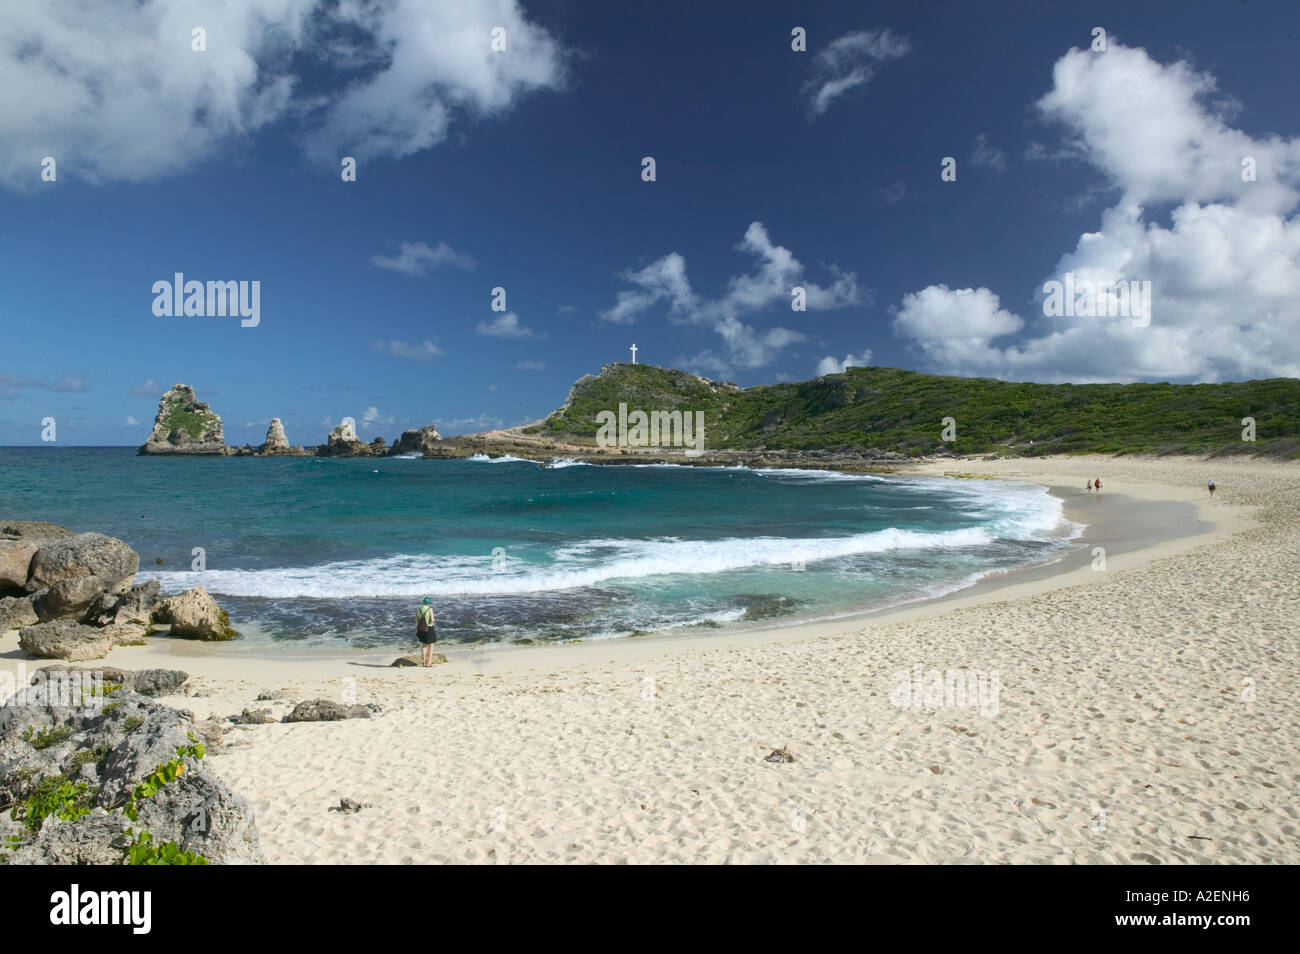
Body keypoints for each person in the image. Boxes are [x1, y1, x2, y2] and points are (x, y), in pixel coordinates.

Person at [415, 596, 437, 666]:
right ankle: (429, 662)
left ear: (423, 602)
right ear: (429, 603)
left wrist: (417, 630)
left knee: (423, 645)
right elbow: (432, 620)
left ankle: (424, 662)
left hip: (421, 629)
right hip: (429, 628)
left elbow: (416, 621)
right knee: (431, 645)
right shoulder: (430, 609)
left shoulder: (418, 609)